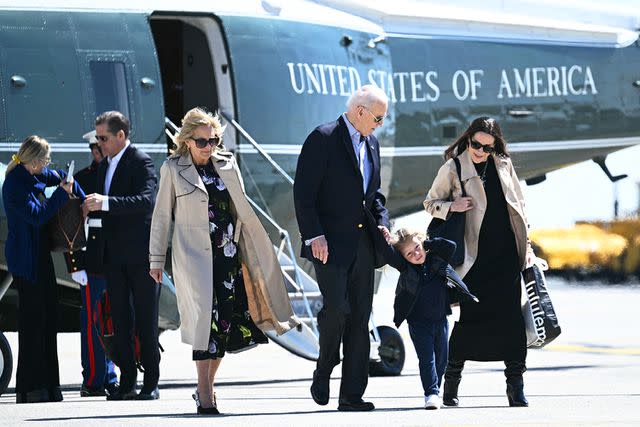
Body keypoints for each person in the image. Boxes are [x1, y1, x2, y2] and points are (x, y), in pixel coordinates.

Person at [149, 107, 299, 415]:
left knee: (224, 324)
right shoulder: (172, 169)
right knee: (205, 321)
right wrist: (155, 259)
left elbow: (239, 210)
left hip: (228, 256)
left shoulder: (227, 165)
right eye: (202, 141)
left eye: (214, 140)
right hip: (193, 259)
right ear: (187, 140)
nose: (208, 146)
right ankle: (205, 394)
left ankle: (207, 385)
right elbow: (162, 216)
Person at [424, 116, 535, 407]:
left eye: (488, 147)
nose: (481, 151)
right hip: (474, 260)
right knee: (470, 322)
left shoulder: (503, 164)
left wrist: (528, 250)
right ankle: (451, 382)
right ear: (468, 138)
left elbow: (520, 209)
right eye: (476, 145)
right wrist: (452, 206)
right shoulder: (454, 167)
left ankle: (515, 385)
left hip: (507, 257)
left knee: (512, 323)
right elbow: (430, 203)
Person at [294, 85, 391, 412]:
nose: (380, 124)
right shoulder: (323, 138)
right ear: (360, 111)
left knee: (360, 319)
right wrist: (313, 235)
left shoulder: (372, 143)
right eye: (378, 117)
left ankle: (352, 395)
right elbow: (304, 194)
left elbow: (374, 196)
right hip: (330, 246)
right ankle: (324, 368)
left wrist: (384, 222)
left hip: (363, 246)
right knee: (336, 313)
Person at [82, 111, 160, 401]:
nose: (99, 143)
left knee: (145, 320)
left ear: (120, 136)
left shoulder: (140, 161)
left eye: (103, 138)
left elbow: (145, 201)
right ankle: (127, 381)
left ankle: (151, 382)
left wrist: (106, 203)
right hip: (114, 257)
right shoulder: (105, 166)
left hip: (140, 256)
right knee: (120, 320)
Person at [3, 135, 82, 403]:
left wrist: (76, 192)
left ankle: (49, 386)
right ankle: (31, 388)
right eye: (45, 160)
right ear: (34, 161)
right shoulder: (14, 185)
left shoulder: (33, 175)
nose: (47, 164)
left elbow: (58, 174)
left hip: (39, 256)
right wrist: (61, 194)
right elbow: (37, 216)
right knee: (34, 324)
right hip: (26, 262)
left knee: (48, 319)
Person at [385, 229, 477, 410]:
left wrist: (426, 244)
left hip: (441, 319)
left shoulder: (437, 260)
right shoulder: (406, 268)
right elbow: (389, 255)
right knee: (427, 359)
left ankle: (435, 388)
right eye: (409, 254)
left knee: (442, 359)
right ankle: (431, 393)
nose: (415, 254)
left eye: (417, 248)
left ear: (423, 244)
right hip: (418, 323)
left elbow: (451, 246)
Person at [66, 130, 118, 397]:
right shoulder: (83, 179)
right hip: (92, 262)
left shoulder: (118, 176)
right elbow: (70, 227)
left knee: (115, 320)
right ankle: (95, 378)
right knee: (93, 323)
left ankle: (113, 375)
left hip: (115, 259)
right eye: (97, 147)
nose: (100, 151)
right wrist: (75, 265)